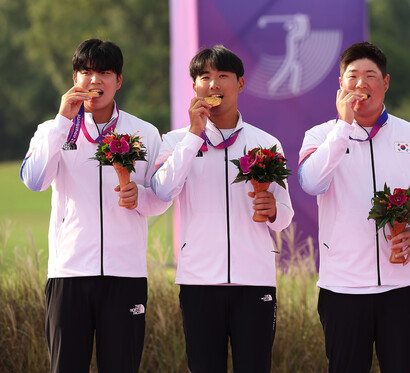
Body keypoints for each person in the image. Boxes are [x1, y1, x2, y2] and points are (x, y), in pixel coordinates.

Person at [20, 39, 170, 372]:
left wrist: (139, 197)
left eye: (104, 72)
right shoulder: (51, 130)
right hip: (69, 273)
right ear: (75, 78)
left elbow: (160, 199)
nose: (94, 81)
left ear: (119, 81)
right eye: (86, 71)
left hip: (125, 274)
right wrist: (62, 122)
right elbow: (34, 180)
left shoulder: (143, 132)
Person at [297, 41, 410, 373]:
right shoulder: (320, 136)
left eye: (370, 76)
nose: (361, 84)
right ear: (340, 84)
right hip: (343, 289)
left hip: (403, 288)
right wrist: (342, 128)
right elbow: (311, 183)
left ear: (386, 83)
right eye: (352, 76)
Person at [151, 45, 294, 373]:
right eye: (205, 77)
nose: (213, 84)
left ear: (240, 84)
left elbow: (284, 217)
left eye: (223, 76)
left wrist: (273, 208)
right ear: (194, 87)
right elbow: (162, 190)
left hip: (255, 281)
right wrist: (194, 136)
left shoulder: (266, 143)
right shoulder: (174, 141)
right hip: (199, 282)